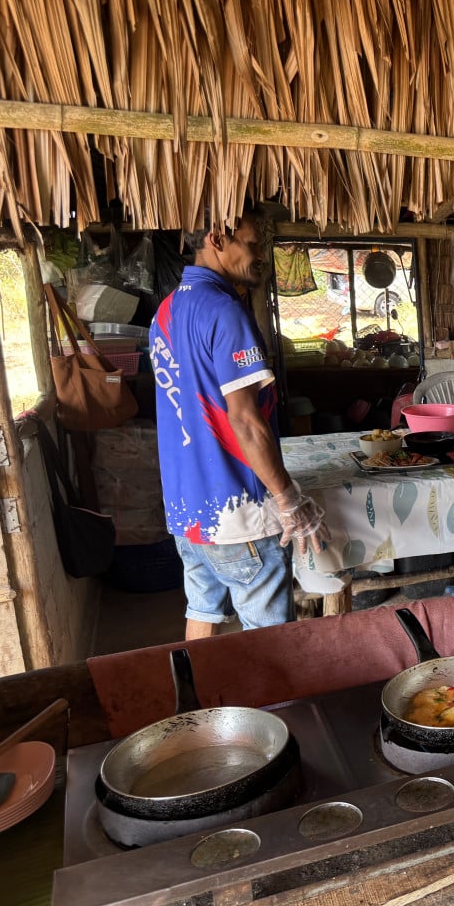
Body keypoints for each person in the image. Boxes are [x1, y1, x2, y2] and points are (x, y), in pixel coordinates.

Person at [149, 207, 329, 639]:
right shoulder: (225, 311)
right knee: (268, 640)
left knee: (203, 611)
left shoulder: (166, 312)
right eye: (251, 244)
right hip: (238, 513)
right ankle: (270, 689)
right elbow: (245, 420)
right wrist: (287, 499)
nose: (260, 255)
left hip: (188, 513)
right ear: (217, 239)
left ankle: (193, 688)